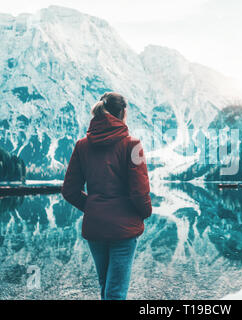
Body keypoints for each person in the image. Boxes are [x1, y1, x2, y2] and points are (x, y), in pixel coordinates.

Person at [61, 92, 152, 300]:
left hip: (96, 227)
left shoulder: (82, 145)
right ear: (123, 113)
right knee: (116, 292)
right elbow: (140, 191)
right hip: (124, 229)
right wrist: (145, 213)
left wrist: (94, 208)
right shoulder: (133, 145)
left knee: (106, 287)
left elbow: (69, 191)